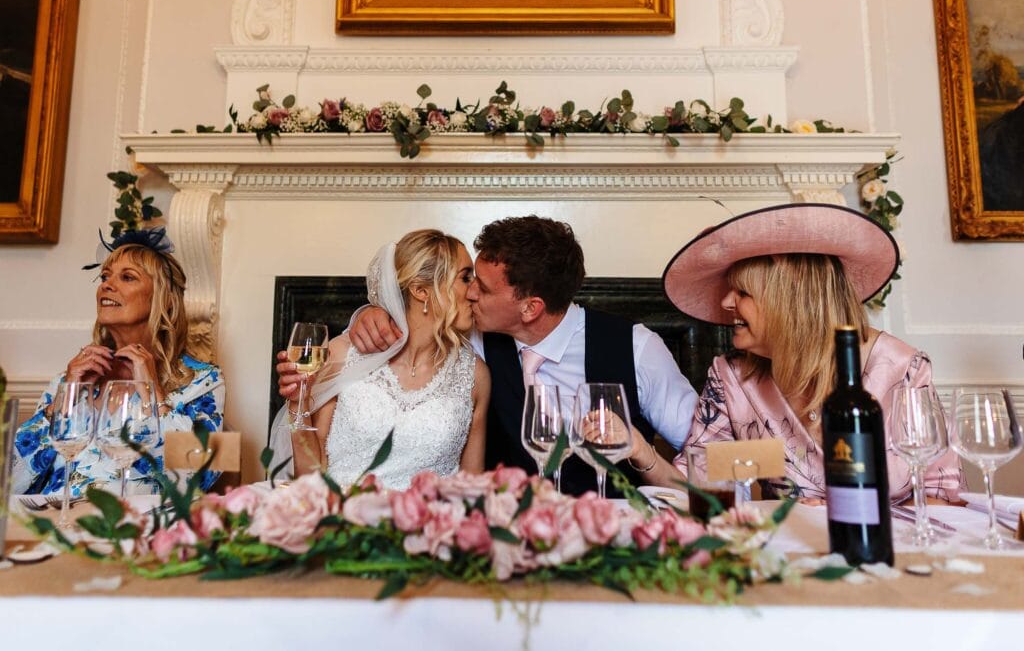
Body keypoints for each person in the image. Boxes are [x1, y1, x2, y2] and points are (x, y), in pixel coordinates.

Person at [282, 216, 698, 496]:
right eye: (468, 279)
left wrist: (647, 462)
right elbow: (415, 325)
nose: (470, 293)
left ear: (530, 308)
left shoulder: (636, 349)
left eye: (480, 285)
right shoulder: (472, 338)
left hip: (609, 533)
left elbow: (705, 454)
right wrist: (371, 314)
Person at [661, 203, 963, 502]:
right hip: (786, 535)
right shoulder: (733, 379)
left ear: (790, 300)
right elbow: (698, 477)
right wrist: (642, 454)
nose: (726, 302)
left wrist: (845, 514)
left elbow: (944, 497)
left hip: (887, 535)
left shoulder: (902, 370)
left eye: (742, 292)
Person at [13, 229, 225, 496]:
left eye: (127, 277)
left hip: (135, 520)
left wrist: (151, 392)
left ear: (165, 299)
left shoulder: (205, 381)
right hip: (55, 517)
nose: (107, 285)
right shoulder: (69, 379)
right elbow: (11, 481)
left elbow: (199, 480)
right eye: (105, 276)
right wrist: (62, 401)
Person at [273, 229, 489, 489]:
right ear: (421, 290)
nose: (475, 292)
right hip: (345, 512)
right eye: (465, 278)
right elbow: (309, 475)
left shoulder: (474, 375)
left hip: (428, 515)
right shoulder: (343, 354)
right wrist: (298, 402)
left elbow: (472, 487)